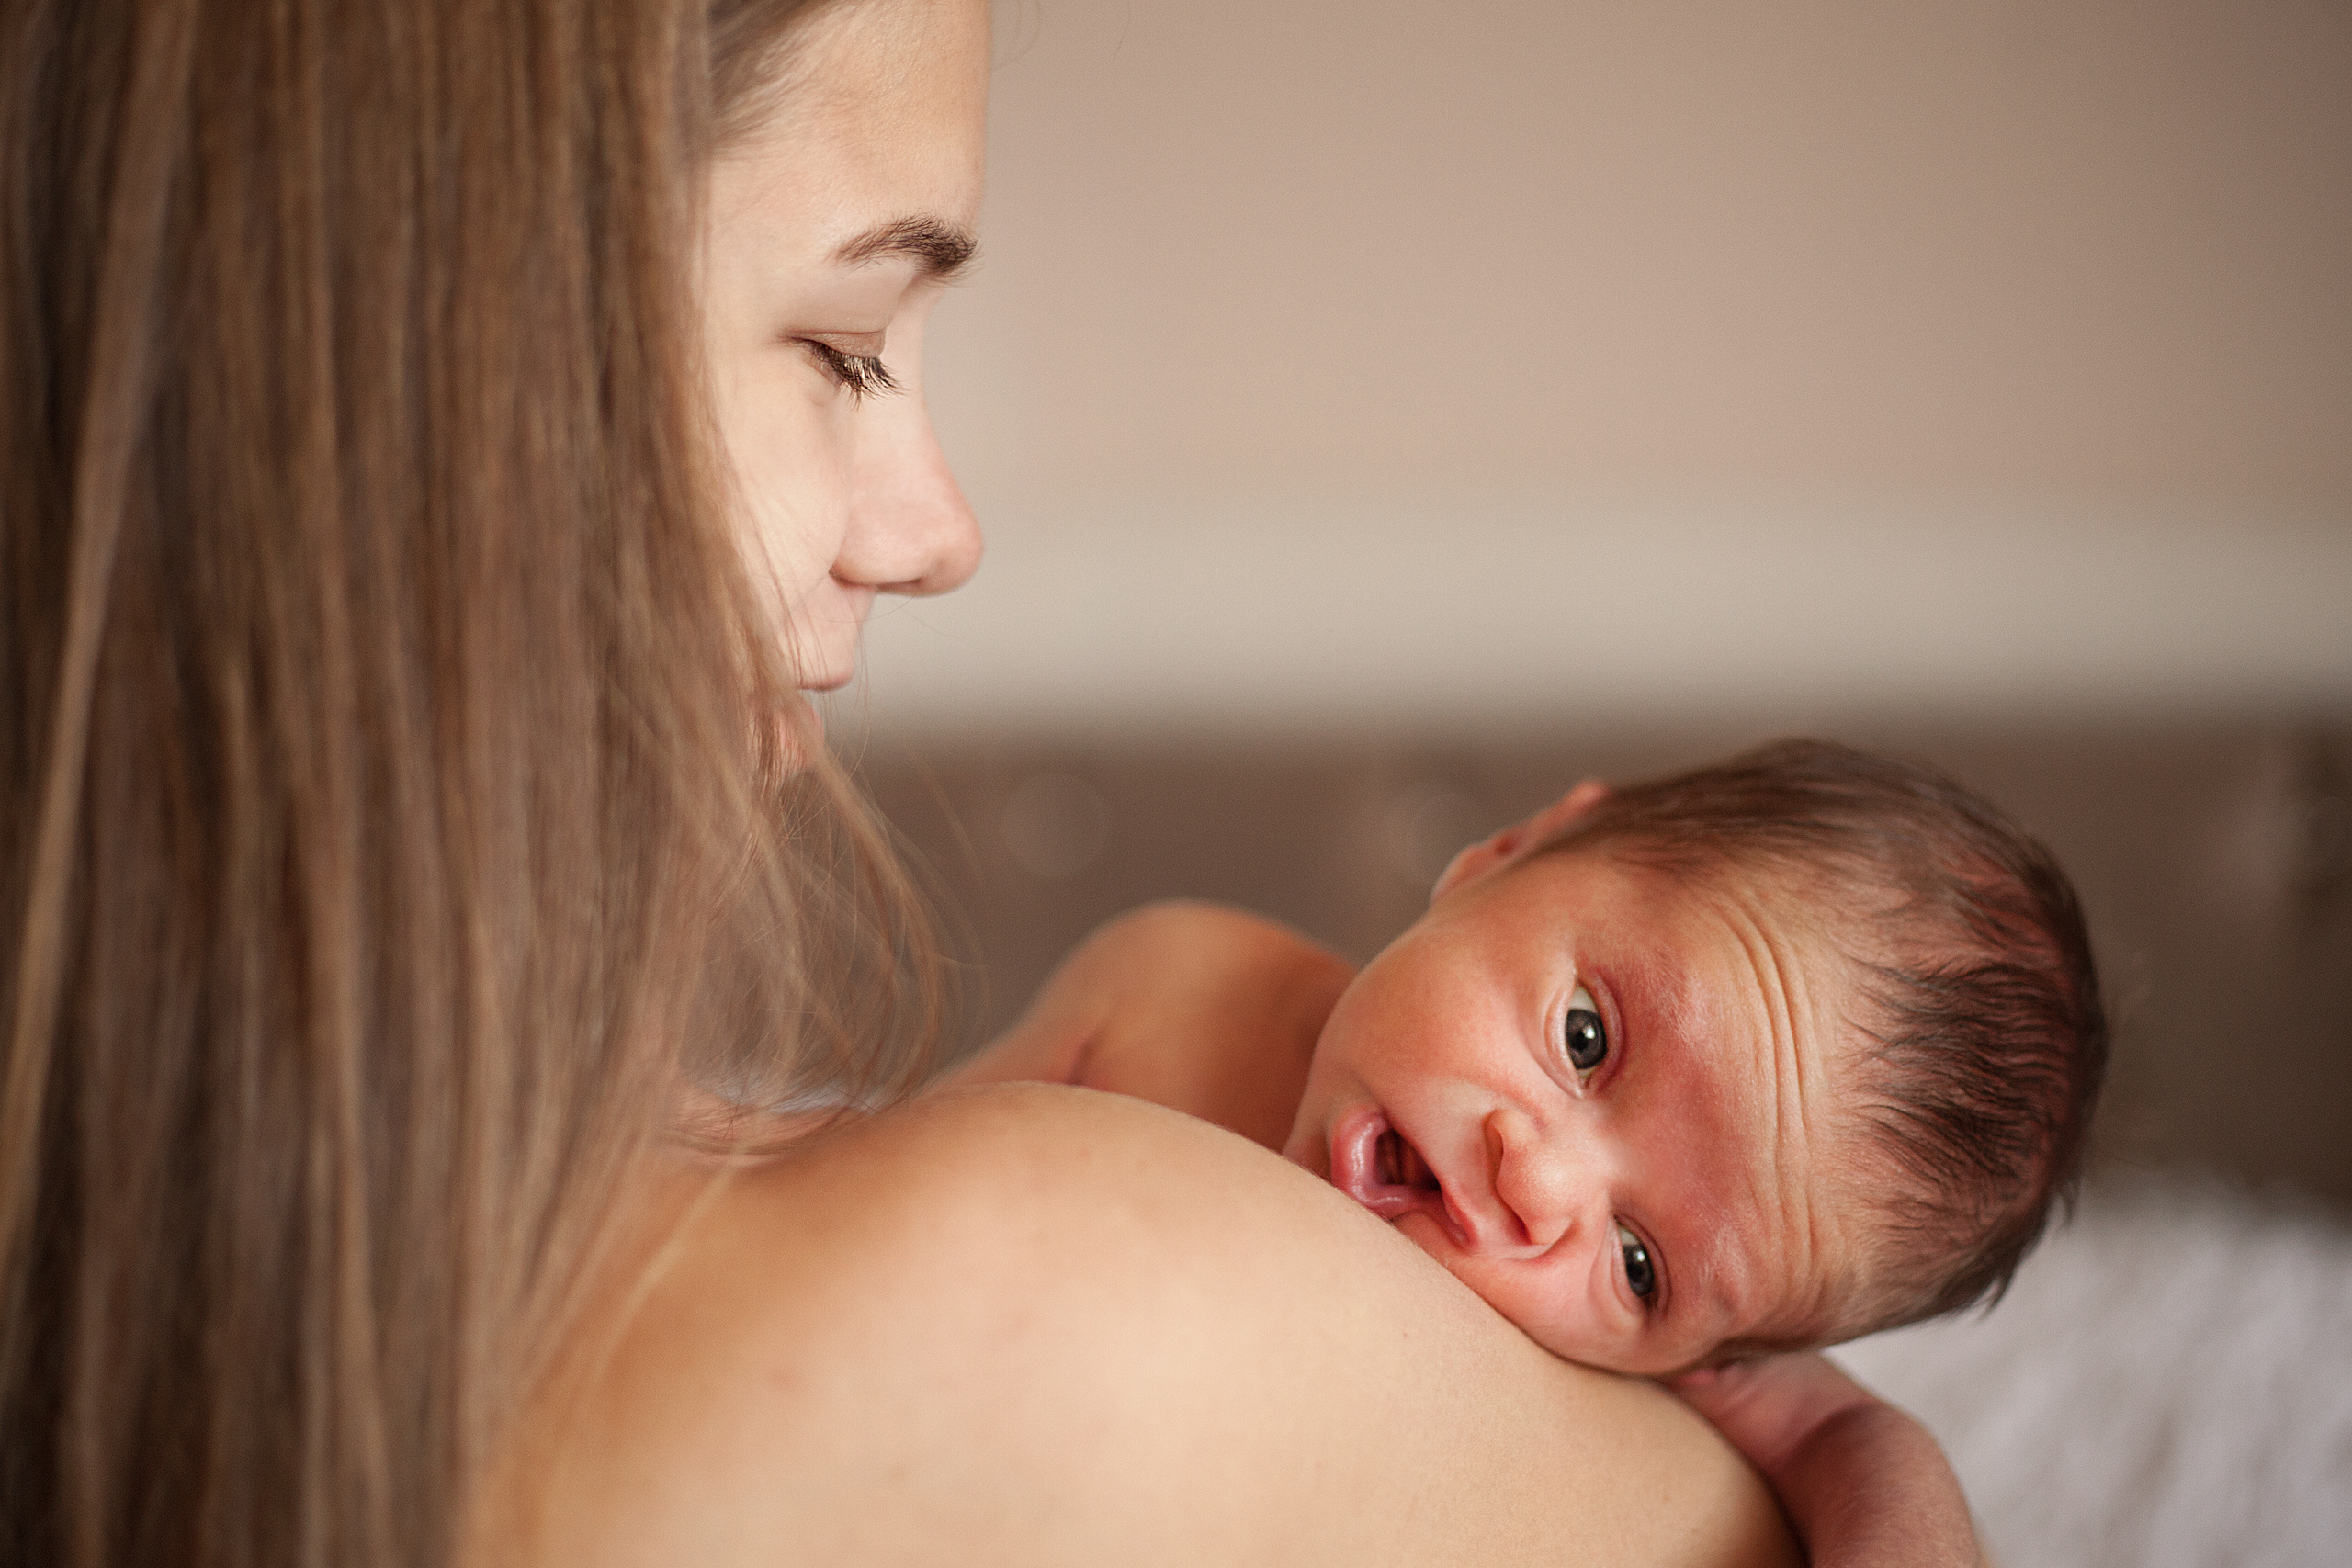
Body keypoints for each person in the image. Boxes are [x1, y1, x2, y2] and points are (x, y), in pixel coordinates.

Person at [0, 1, 1985, 1565]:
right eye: (846, 340)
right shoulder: (1127, 1081)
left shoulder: (1021, 1280)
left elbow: (1808, 1420)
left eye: (1643, 1265)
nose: (939, 533)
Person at [952, 739, 2109, 1378]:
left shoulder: (1566, 1380)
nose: (1538, 1185)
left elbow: (1852, 1447)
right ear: (1512, 850)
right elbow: (883, 1170)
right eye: (1586, 1040)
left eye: (1642, 1265)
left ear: (1701, 1366)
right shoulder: (1178, 989)